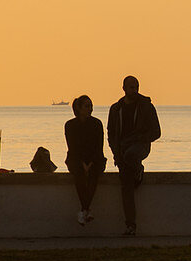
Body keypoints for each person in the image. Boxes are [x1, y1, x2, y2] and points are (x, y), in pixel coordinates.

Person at [107, 75, 161, 235]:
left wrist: (138, 138)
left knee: (131, 155)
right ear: (123, 88)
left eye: (136, 86)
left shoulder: (146, 107)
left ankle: (138, 171)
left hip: (140, 147)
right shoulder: (116, 109)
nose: (134, 90)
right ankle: (131, 225)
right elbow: (111, 134)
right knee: (126, 187)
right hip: (122, 153)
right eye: (131, 87)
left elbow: (156, 132)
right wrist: (116, 154)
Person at [64, 94, 107, 225]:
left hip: (96, 159)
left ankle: (84, 209)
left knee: (94, 174)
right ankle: (86, 209)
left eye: (91, 106)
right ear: (79, 108)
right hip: (75, 159)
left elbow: (99, 146)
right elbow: (72, 147)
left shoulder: (97, 124)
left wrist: (91, 163)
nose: (90, 109)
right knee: (79, 174)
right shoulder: (70, 125)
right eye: (87, 106)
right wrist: (82, 163)